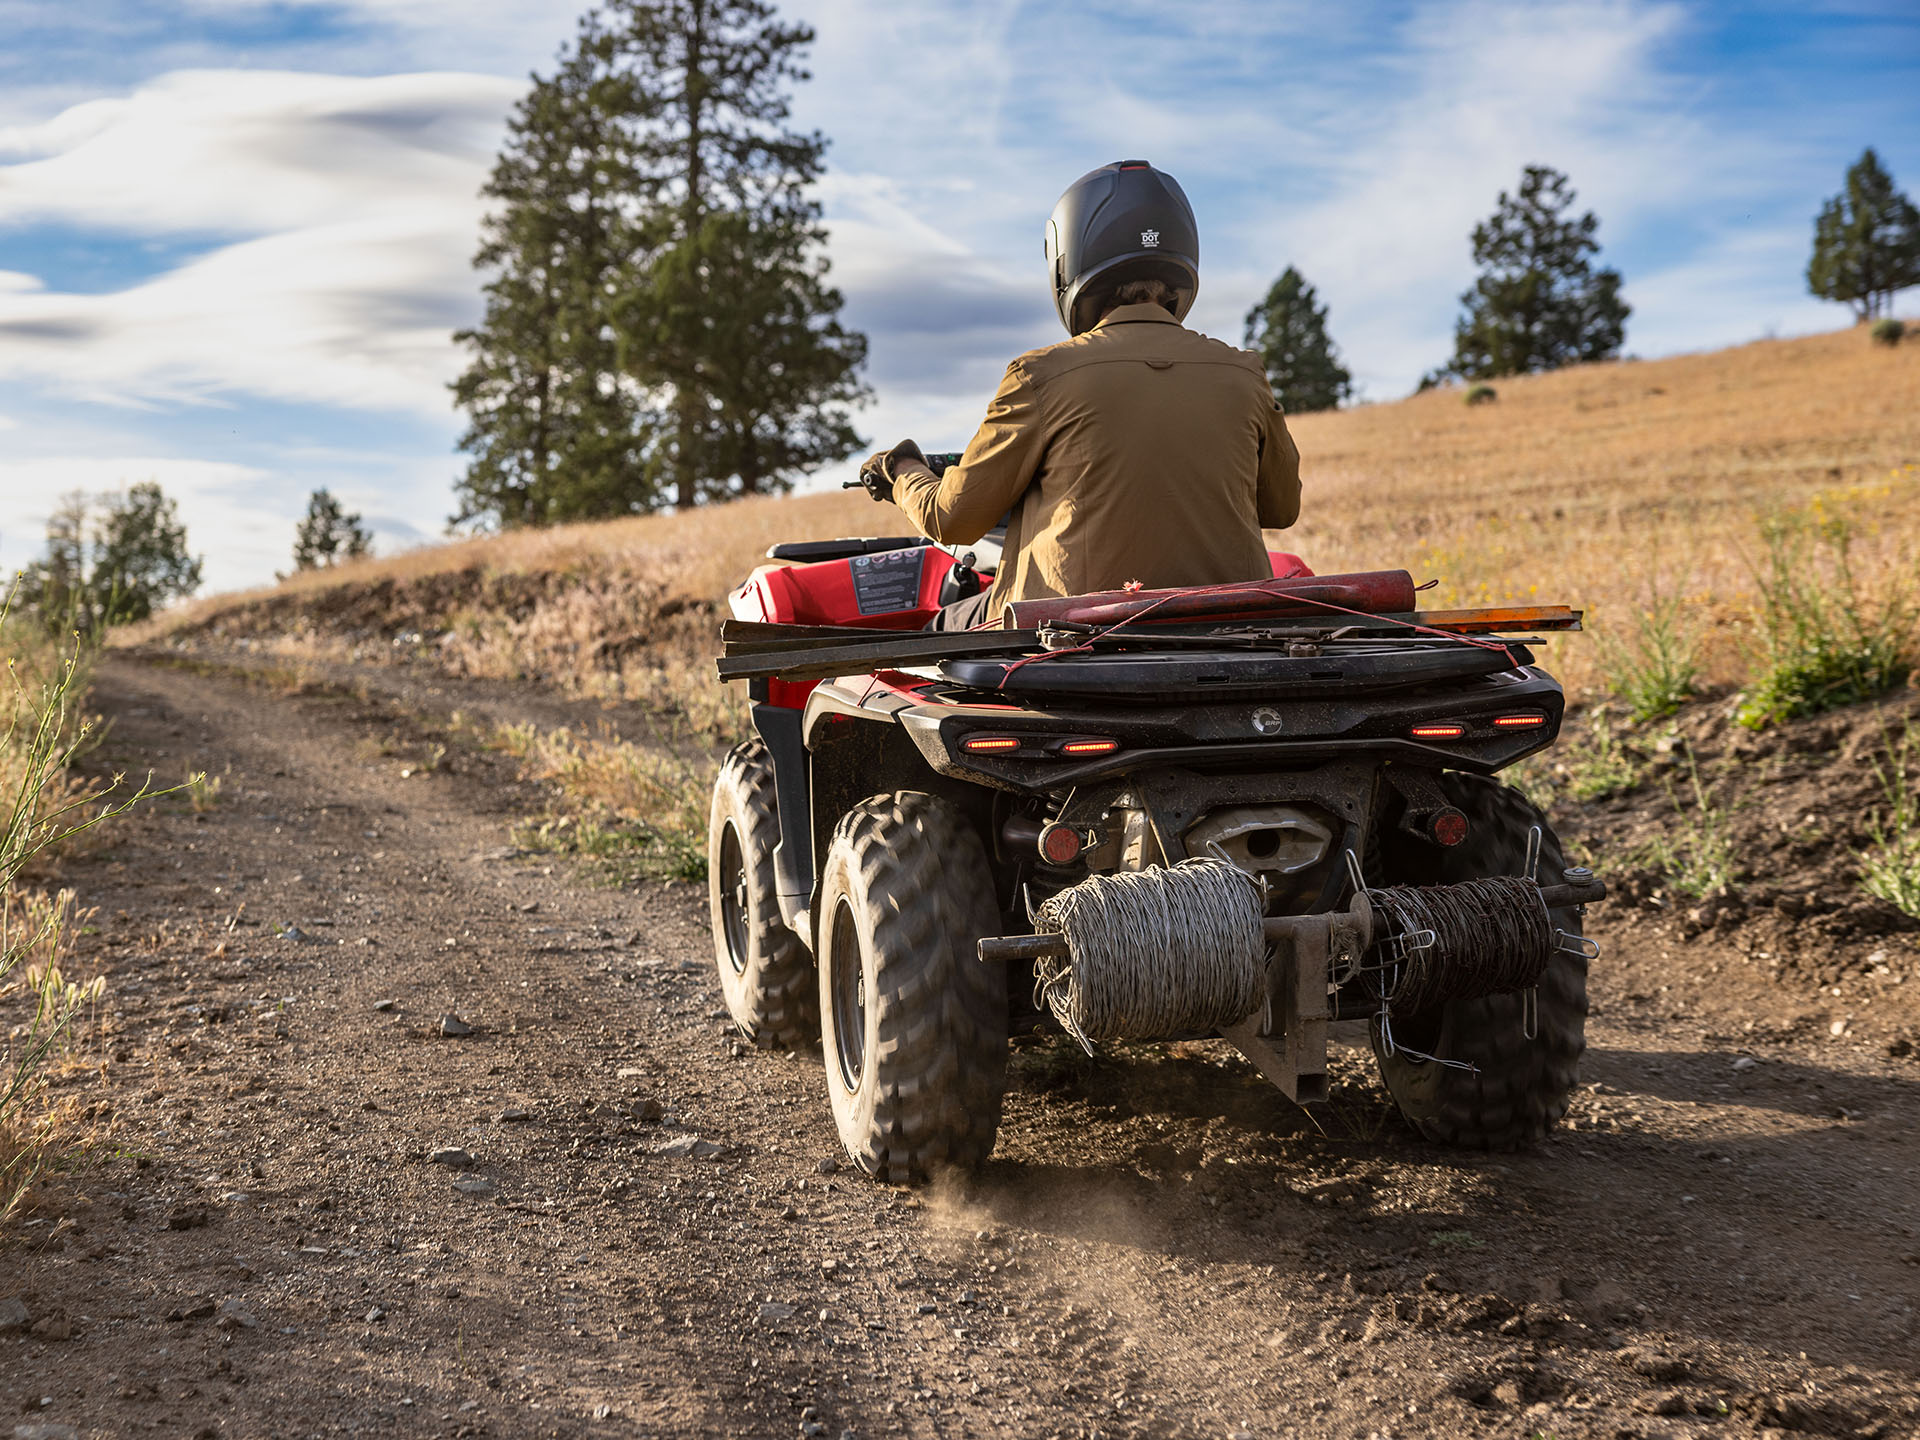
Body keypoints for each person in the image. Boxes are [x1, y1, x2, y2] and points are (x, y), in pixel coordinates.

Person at [857, 159, 1303, 631]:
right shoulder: (1244, 372)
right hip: (1229, 626)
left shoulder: (1041, 375)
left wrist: (900, 469)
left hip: (1070, 630)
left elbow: (952, 520)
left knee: (940, 627)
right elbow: (1281, 508)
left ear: (1068, 255)